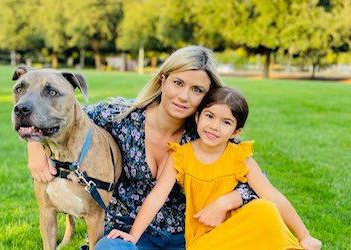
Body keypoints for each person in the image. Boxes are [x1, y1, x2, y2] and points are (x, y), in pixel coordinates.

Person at [26, 46, 257, 249]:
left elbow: (254, 184)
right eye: (178, 83)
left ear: (208, 97)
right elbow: (66, 118)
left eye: (197, 90)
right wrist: (35, 146)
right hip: (127, 234)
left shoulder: (207, 135)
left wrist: (228, 200)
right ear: (162, 79)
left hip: (190, 237)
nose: (184, 96)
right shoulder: (119, 116)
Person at [107, 86, 322, 250]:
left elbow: (273, 196)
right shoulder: (181, 156)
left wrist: (304, 235)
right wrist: (133, 236)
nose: (214, 127)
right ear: (198, 117)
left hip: (237, 233)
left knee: (265, 208)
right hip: (204, 240)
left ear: (236, 132)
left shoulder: (240, 158)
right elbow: (156, 198)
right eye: (210, 116)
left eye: (226, 122)